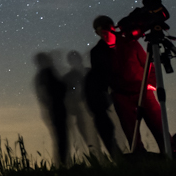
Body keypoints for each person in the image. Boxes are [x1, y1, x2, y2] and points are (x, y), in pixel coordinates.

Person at [107, 14, 167, 153]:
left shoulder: (130, 42)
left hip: (142, 91)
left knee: (158, 125)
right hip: (121, 95)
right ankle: (140, 157)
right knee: (131, 132)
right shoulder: (100, 51)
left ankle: (170, 151)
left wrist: (151, 83)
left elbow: (148, 63)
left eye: (106, 30)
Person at [86, 16, 121, 158]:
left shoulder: (126, 43)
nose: (105, 34)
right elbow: (101, 74)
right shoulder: (97, 52)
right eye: (102, 31)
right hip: (108, 92)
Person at [61, 49, 102, 159]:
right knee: (90, 140)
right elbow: (66, 96)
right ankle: (99, 161)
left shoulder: (88, 72)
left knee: (100, 136)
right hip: (82, 111)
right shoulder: (69, 77)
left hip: (95, 108)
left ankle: (104, 161)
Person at [33, 52, 69, 166]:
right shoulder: (47, 73)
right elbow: (58, 89)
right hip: (56, 109)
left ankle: (62, 164)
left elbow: (42, 96)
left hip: (53, 109)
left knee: (60, 138)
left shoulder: (42, 75)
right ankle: (62, 164)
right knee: (61, 138)